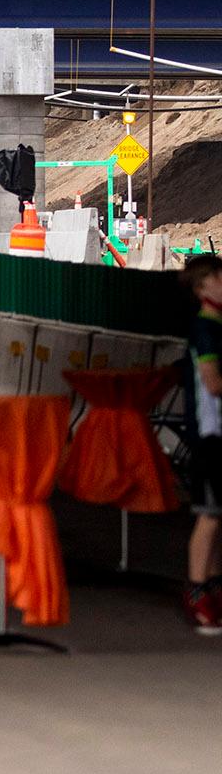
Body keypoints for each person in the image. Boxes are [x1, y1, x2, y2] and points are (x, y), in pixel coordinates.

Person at [179, 255, 222, 635]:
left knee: (217, 515)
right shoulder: (205, 329)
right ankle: (198, 592)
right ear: (200, 288)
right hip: (210, 434)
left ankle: (212, 587)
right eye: (216, 279)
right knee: (208, 514)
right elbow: (212, 382)